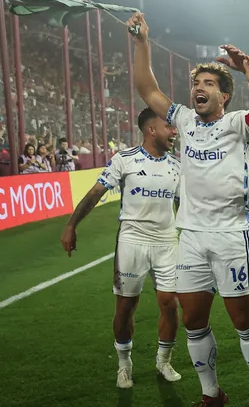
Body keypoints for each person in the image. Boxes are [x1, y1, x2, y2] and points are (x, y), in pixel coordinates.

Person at [128, 11, 249, 407]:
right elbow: (146, 87)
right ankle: (211, 393)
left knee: (241, 320)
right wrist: (143, 41)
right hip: (193, 236)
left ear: (224, 97)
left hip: (233, 235)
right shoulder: (181, 118)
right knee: (193, 320)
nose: (199, 88)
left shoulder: (240, 124)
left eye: (209, 84)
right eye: (197, 83)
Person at [60, 107, 183, 388]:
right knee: (126, 306)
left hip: (167, 243)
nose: (174, 131)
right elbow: (95, 193)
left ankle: (164, 361)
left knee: (170, 304)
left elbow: (183, 206)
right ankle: (124, 364)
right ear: (151, 129)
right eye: (169, 126)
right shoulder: (124, 160)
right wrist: (71, 225)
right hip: (132, 242)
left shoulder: (177, 165)